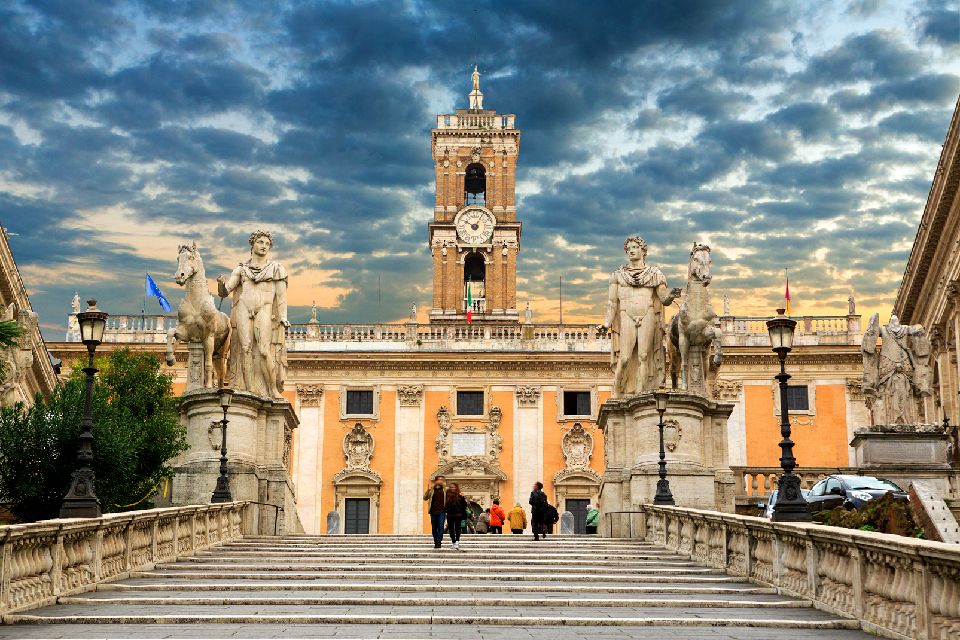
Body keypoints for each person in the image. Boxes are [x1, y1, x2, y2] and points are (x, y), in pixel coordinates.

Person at [422, 475, 446, 549]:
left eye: (442, 480)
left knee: (441, 527)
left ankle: (439, 542)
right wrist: (428, 491)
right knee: (434, 528)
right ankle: (436, 541)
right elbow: (425, 498)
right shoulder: (432, 490)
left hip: (442, 511)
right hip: (433, 511)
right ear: (436, 481)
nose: (441, 481)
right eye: (439, 480)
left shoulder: (445, 490)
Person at [445, 482, 468, 551]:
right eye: (451, 487)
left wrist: (463, 497)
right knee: (451, 529)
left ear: (456, 488)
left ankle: (457, 542)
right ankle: (453, 542)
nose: (452, 488)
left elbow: (464, 505)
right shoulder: (447, 495)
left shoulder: (460, 495)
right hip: (449, 514)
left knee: (457, 528)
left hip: (458, 514)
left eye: (454, 487)